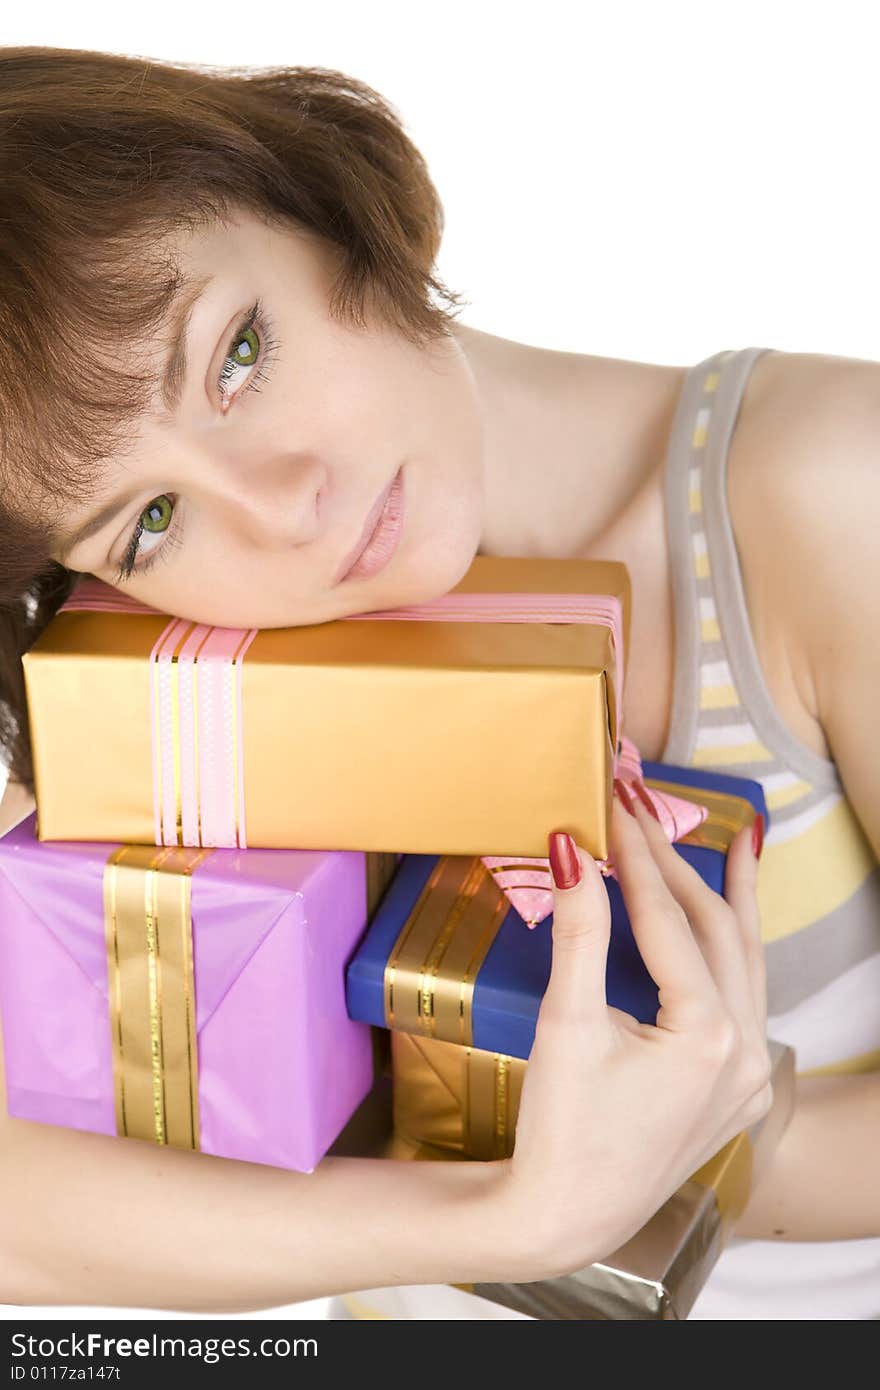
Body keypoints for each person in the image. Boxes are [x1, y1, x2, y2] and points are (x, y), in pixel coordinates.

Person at [0, 45, 875, 1320]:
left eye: (238, 352)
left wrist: (722, 1131)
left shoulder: (824, 491)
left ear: (319, 201)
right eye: (148, 517)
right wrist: (512, 1213)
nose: (281, 509)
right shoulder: (147, 673)